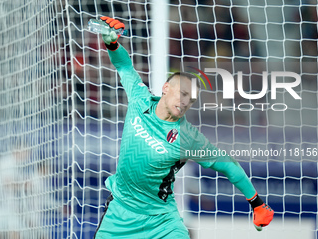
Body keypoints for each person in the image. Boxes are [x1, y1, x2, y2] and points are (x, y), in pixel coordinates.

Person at [94, 16, 274, 239]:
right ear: (166, 87)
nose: (186, 101)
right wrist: (112, 43)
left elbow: (229, 165)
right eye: (183, 93)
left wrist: (256, 203)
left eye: (191, 99)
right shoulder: (140, 100)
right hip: (120, 214)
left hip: (161, 222)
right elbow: (124, 66)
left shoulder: (187, 138)